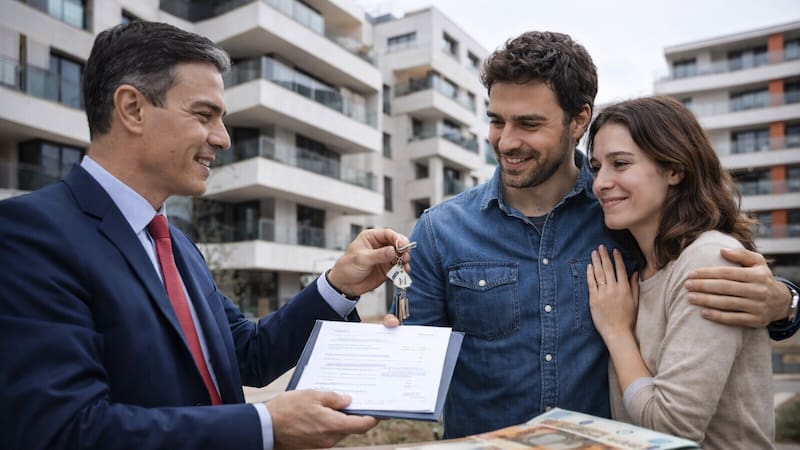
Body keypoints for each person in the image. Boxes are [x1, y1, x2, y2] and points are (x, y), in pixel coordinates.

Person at [0, 21, 411, 450]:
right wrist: (264, 426)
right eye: (204, 115)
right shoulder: (27, 236)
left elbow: (248, 354)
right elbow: (62, 430)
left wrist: (338, 286)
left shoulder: (176, 247)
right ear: (132, 109)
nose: (223, 138)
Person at [389, 31, 800, 439]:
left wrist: (785, 303)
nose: (507, 140)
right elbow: (409, 368)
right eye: (497, 121)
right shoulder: (439, 230)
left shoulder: (626, 214)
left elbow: (695, 272)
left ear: (579, 120)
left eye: (529, 123)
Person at [586, 96, 774, 449]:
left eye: (621, 163)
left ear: (674, 169)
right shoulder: (642, 266)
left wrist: (616, 332)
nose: (600, 183)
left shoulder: (708, 259)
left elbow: (672, 428)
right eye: (596, 167)